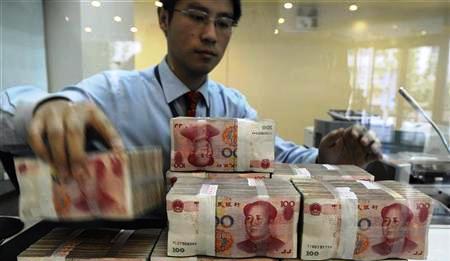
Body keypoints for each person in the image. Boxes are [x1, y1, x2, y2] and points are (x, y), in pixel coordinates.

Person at [0, 0, 382, 184]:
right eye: (197, 16)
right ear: (164, 19)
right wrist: (44, 107)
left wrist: (326, 156)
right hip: (122, 256)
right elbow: (7, 111)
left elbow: (280, 154)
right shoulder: (112, 92)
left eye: (224, 22)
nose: (211, 34)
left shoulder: (233, 107)